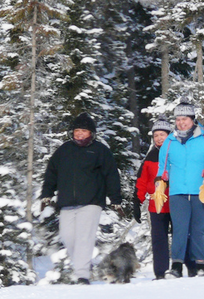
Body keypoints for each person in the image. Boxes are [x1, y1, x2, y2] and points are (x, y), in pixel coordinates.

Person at [40, 112, 122, 284]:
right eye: (77, 131)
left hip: (91, 201)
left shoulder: (100, 150)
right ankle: (83, 266)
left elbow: (111, 175)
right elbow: (51, 173)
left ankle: (82, 275)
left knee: (84, 237)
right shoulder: (64, 150)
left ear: (91, 133)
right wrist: (46, 194)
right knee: (68, 236)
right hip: (67, 202)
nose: (79, 134)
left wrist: (115, 199)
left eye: (83, 131)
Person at [156, 98, 204, 278]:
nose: (181, 122)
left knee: (197, 228)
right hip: (177, 191)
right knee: (179, 228)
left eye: (184, 119)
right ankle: (176, 266)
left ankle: (201, 265)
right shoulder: (169, 141)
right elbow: (162, 166)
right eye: (178, 119)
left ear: (193, 119)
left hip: (201, 191)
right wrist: (160, 183)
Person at [133, 116, 196, 279]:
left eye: (163, 134)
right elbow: (141, 182)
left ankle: (191, 269)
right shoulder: (150, 158)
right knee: (159, 241)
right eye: (156, 135)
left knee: (182, 238)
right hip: (157, 206)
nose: (159, 138)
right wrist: (136, 202)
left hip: (178, 204)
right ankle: (160, 274)